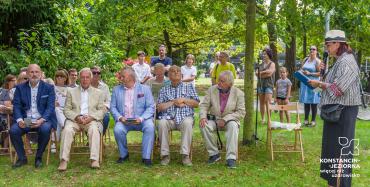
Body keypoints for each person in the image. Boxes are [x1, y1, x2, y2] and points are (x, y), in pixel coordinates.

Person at [308, 30, 361, 187]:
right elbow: (331, 86)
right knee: (331, 150)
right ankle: (333, 183)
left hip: (344, 112)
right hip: (335, 111)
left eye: (328, 45)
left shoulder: (347, 62)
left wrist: (319, 84)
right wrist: (323, 75)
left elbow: (338, 89)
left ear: (338, 44)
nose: (326, 49)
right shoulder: (339, 61)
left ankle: (340, 183)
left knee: (340, 152)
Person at [58, 68, 106, 171]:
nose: (85, 80)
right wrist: (76, 117)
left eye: (87, 77)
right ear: (79, 78)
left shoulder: (99, 92)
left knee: (94, 130)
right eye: (83, 77)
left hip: (91, 119)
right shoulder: (71, 91)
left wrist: (91, 117)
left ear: (91, 78)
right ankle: (64, 160)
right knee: (67, 130)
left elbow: (102, 110)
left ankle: (94, 159)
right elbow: (66, 109)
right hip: (75, 120)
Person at [10, 64, 57, 168]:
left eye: (36, 72)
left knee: (45, 129)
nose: (34, 74)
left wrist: (42, 119)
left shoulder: (48, 88)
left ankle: (38, 157)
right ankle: (22, 158)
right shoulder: (20, 88)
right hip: (27, 120)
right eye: (31, 72)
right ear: (27, 74)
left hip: (42, 119)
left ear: (40, 74)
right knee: (13, 130)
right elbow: (16, 106)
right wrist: (19, 120)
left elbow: (50, 107)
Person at [199, 71, 245, 169]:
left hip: (230, 119)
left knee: (233, 126)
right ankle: (214, 154)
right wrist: (203, 117)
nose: (219, 83)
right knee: (204, 125)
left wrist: (225, 119)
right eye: (218, 80)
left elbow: (241, 112)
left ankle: (231, 158)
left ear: (230, 84)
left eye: (222, 81)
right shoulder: (212, 90)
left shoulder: (239, 93)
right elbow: (204, 105)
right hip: (215, 119)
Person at [111, 67, 155, 167]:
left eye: (123, 76)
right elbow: (112, 107)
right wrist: (120, 117)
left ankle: (146, 157)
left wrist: (141, 118)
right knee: (118, 130)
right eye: (120, 76)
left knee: (150, 127)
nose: (120, 78)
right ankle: (124, 154)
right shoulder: (116, 90)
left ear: (131, 77)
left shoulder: (145, 89)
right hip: (124, 120)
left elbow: (150, 107)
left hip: (141, 120)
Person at [157, 65, 200, 166]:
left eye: (178, 71)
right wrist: (173, 102)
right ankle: (165, 155)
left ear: (181, 74)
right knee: (162, 123)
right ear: (168, 75)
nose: (176, 72)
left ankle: (185, 155)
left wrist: (184, 100)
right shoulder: (164, 90)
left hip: (185, 117)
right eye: (173, 71)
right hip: (168, 119)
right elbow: (159, 107)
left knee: (188, 123)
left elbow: (196, 103)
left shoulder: (189, 86)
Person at [299, 45, 321, 127]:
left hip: (315, 83)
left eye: (314, 49)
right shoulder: (305, 59)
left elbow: (320, 73)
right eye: (310, 49)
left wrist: (310, 73)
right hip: (305, 83)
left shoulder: (318, 61)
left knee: (314, 101)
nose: (311, 50)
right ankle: (305, 120)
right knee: (306, 102)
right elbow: (301, 68)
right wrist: (302, 72)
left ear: (316, 51)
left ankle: (313, 120)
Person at [256, 47, 276, 124]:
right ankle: (263, 119)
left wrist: (261, 74)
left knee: (268, 102)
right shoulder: (260, 64)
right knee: (261, 102)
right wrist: (264, 73)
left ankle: (269, 119)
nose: (263, 55)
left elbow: (270, 73)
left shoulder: (272, 64)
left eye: (265, 54)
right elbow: (256, 74)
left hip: (269, 85)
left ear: (269, 55)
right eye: (263, 54)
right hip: (260, 85)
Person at [90, 66, 111, 136]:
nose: (96, 74)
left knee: (106, 118)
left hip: (102, 110)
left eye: (98, 73)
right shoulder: (86, 86)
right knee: (85, 119)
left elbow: (109, 101)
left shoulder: (105, 87)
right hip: (89, 110)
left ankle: (99, 138)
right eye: (94, 73)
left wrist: (105, 106)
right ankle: (93, 138)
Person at [0, 75, 16, 151]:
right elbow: (5, 105)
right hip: (5, 115)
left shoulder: (15, 91)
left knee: (27, 122)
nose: (15, 82)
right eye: (13, 81)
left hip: (16, 114)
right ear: (8, 82)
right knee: (9, 121)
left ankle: (27, 146)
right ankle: (5, 147)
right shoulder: (3, 91)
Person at [54, 69, 69, 141]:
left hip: (66, 110)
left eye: (61, 76)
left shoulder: (69, 89)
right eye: (57, 76)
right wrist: (52, 102)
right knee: (57, 110)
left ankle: (54, 143)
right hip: (56, 110)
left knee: (57, 122)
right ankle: (64, 125)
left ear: (65, 78)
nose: (59, 78)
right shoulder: (51, 88)